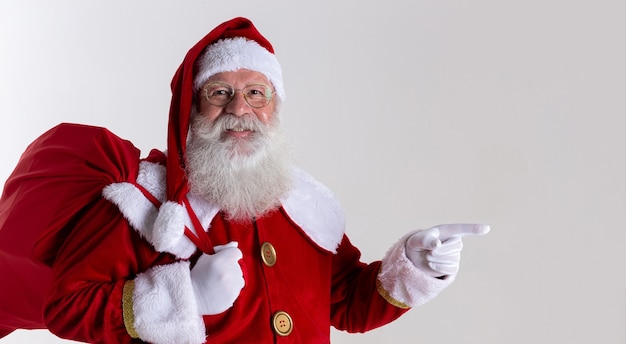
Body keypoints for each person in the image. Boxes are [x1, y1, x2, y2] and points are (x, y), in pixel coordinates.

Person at [0, 17, 489, 343]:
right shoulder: (143, 202)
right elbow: (66, 306)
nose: (240, 109)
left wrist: (416, 266)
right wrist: (185, 296)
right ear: (190, 111)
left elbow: (346, 303)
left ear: (275, 107)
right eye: (220, 92)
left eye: (257, 92)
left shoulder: (306, 204)